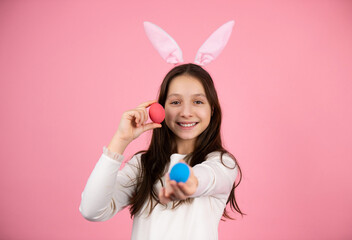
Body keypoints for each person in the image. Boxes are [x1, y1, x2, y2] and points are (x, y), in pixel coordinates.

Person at [79, 63, 245, 240]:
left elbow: (208, 177)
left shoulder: (222, 163)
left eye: (198, 101)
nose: (186, 112)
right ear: (162, 109)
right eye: (175, 102)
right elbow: (91, 210)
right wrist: (120, 139)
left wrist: (190, 183)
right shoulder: (142, 166)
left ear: (211, 109)